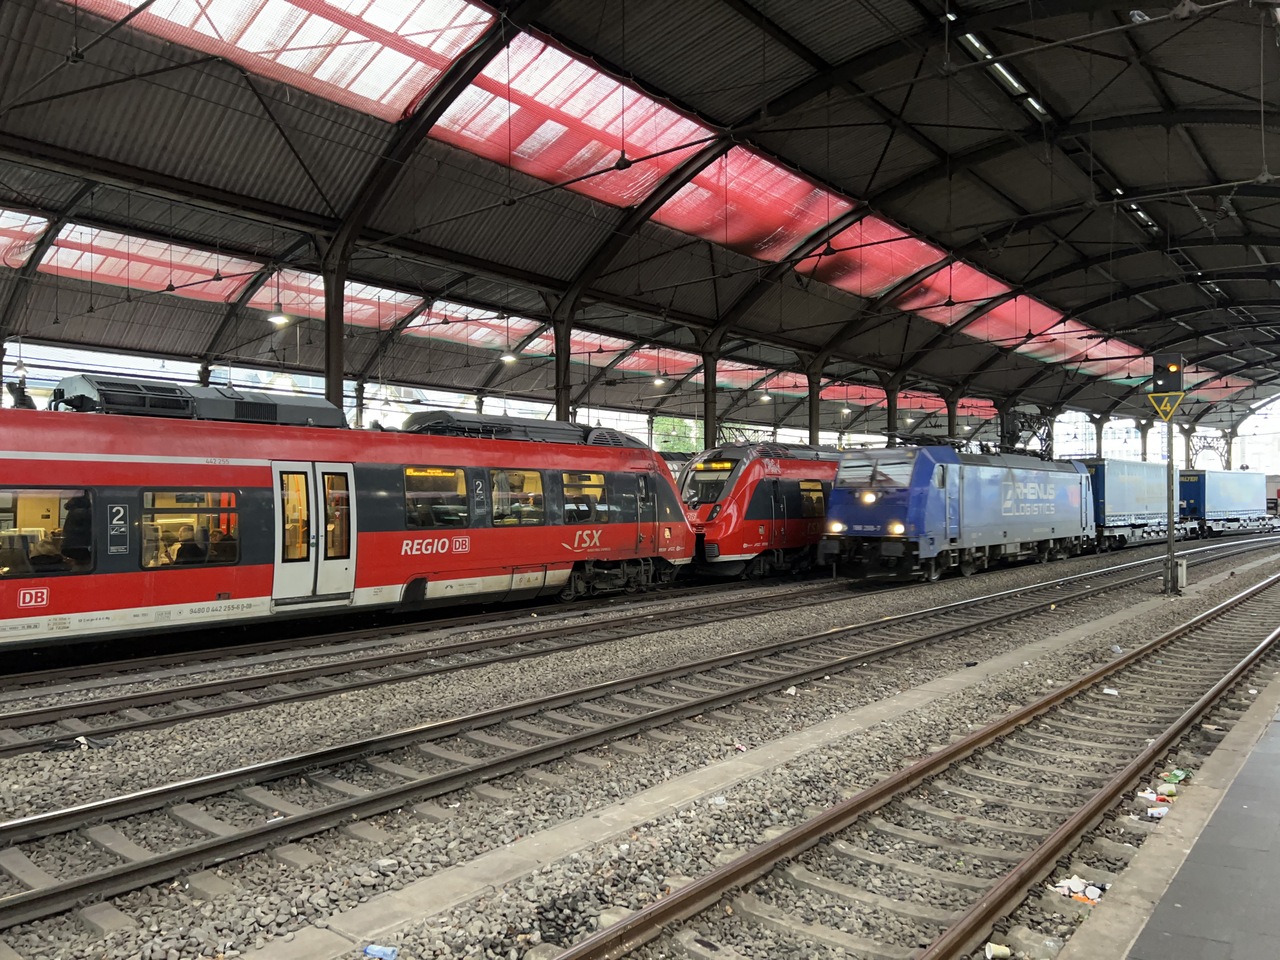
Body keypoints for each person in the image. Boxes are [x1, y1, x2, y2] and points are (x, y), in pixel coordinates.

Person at [61, 495, 92, 567]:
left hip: (70, 545)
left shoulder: (72, 511)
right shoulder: (84, 512)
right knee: (84, 566)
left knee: (79, 565)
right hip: (80, 546)